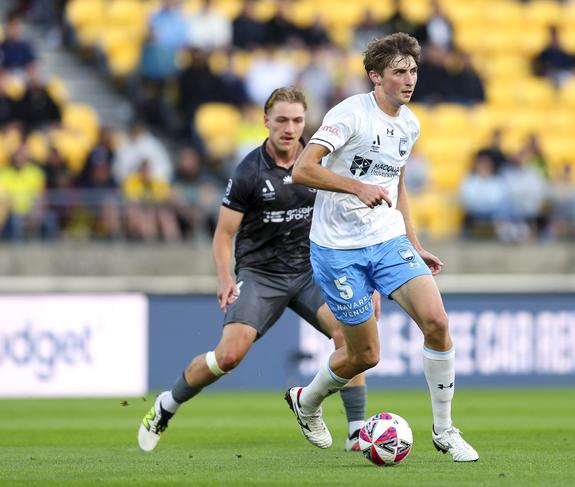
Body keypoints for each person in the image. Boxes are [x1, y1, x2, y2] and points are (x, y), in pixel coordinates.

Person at [138, 87, 370, 452]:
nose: (290, 128)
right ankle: (167, 404)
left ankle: (357, 431)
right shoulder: (248, 172)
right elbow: (223, 234)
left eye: (297, 120)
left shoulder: (320, 160)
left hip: (310, 270)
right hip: (261, 276)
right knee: (228, 356)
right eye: (281, 120)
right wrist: (226, 278)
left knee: (351, 335)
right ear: (265, 122)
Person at [284, 33, 479, 462]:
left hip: (388, 240)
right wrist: (357, 187)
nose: (409, 80)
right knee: (364, 355)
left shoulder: (410, 123)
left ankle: (445, 431)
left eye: (413, 71)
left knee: (438, 323)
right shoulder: (350, 114)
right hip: (337, 249)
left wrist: (415, 242)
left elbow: (398, 185)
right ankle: (308, 401)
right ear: (375, 77)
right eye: (398, 73)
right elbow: (302, 169)